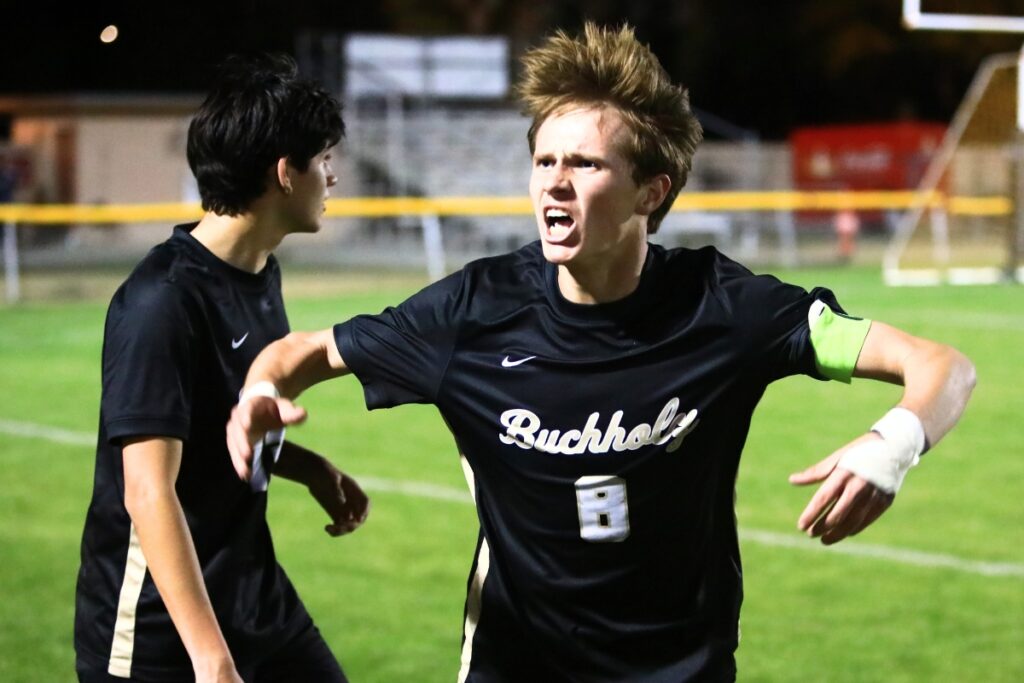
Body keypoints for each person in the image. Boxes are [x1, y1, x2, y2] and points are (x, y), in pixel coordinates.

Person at [225, 24, 976, 682]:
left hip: (682, 666)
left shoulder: (725, 308)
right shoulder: (472, 311)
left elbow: (943, 366)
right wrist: (260, 391)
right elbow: (298, 355)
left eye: (585, 164)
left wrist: (893, 445)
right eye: (544, 160)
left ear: (652, 192)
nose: (555, 181)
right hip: (512, 663)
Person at [75, 54, 369, 683]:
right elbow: (148, 490)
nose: (332, 177)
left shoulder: (259, 271)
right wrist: (210, 660)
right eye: (323, 160)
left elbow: (219, 423)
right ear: (285, 173)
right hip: (162, 630)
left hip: (252, 597)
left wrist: (304, 466)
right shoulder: (162, 300)